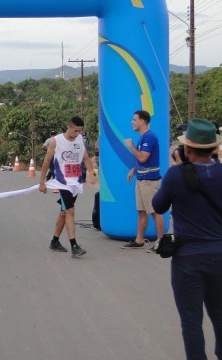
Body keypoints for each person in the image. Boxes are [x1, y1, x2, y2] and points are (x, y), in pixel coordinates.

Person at [152, 118, 222, 360]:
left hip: (188, 259)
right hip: (220, 253)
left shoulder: (175, 175)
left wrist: (179, 170)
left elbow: (158, 206)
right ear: (214, 148)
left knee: (191, 322)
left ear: (187, 149)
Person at [39, 116, 96, 258]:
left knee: (64, 212)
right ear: (69, 127)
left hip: (75, 183)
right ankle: (74, 246)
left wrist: (91, 172)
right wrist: (42, 182)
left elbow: (86, 158)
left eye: (80, 131)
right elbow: (46, 162)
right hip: (62, 183)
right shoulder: (56, 141)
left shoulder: (80, 140)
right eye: (76, 130)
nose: (78, 133)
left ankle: (54, 241)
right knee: (70, 211)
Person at [120, 110, 164, 250]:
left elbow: (143, 157)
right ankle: (139, 241)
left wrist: (131, 146)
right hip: (141, 179)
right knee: (142, 211)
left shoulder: (149, 137)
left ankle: (161, 242)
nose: (132, 122)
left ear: (142, 121)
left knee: (154, 211)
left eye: (134, 119)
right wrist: (134, 169)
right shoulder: (143, 137)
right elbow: (143, 160)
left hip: (149, 181)